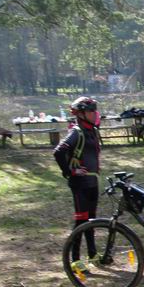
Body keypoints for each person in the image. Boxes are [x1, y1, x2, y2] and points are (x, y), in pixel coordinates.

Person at [54, 97, 102, 274]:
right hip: (80, 183)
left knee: (91, 220)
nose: (95, 114)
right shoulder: (77, 132)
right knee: (81, 221)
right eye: (91, 111)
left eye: (94, 111)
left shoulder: (92, 131)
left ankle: (92, 254)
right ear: (81, 114)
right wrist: (70, 172)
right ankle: (75, 259)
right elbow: (59, 152)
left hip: (92, 181)